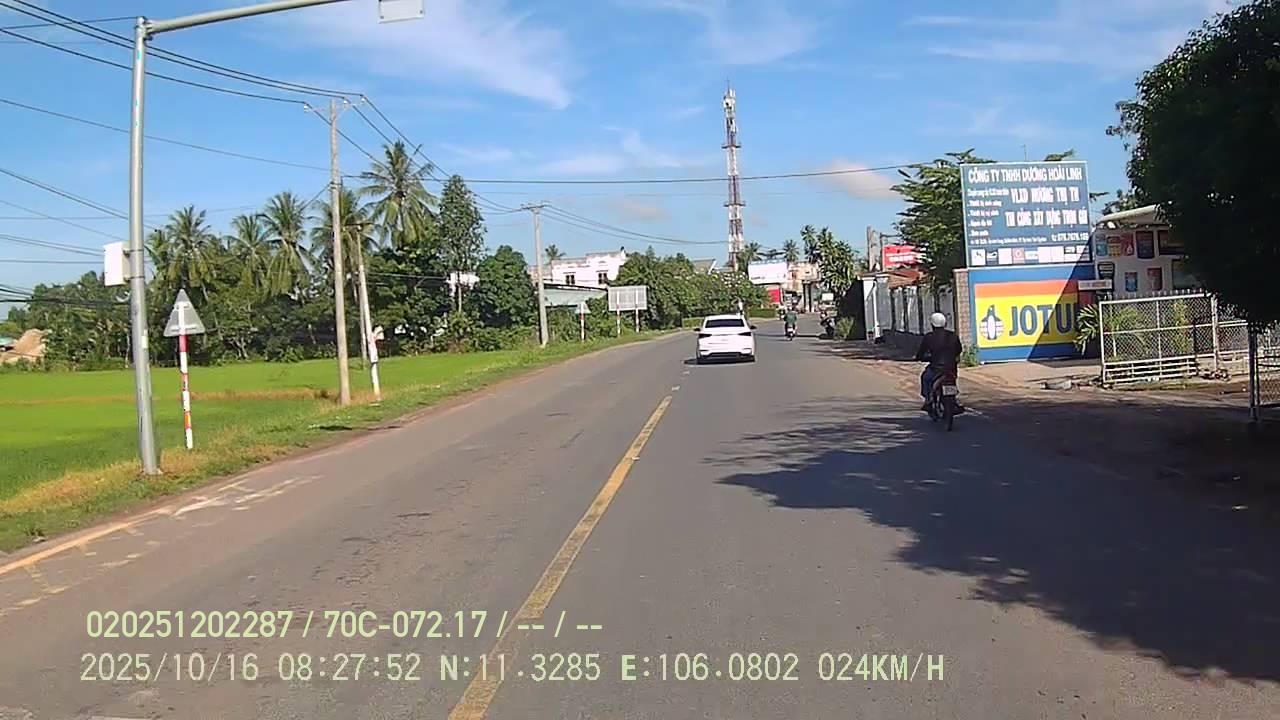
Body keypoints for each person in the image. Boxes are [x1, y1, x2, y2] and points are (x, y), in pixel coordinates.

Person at [914, 312, 965, 413]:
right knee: (952, 380)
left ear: (932, 324)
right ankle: (954, 401)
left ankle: (928, 400)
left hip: (935, 369)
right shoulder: (953, 335)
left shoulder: (929, 337)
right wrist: (952, 357)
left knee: (925, 378)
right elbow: (959, 349)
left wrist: (920, 358)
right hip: (951, 368)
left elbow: (921, 352)